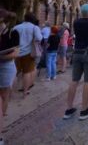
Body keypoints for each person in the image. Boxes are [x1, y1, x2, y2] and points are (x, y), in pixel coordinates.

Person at [0, 9, 19, 145]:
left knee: (4, 95)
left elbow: (15, 53)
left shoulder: (13, 32)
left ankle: (2, 118)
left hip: (6, 67)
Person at [14, 12, 42, 97]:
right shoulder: (34, 27)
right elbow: (39, 38)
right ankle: (25, 91)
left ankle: (9, 91)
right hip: (28, 53)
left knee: (15, 72)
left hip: (16, 52)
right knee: (26, 72)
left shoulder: (16, 27)